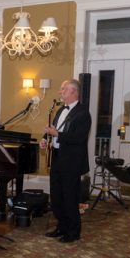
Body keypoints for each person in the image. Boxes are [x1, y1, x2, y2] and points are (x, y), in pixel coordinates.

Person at [40, 79, 91, 243]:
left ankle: (73, 231)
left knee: (69, 196)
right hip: (57, 156)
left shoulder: (83, 113)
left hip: (71, 160)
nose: (60, 92)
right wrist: (45, 138)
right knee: (56, 196)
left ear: (73, 92)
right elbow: (54, 129)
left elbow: (79, 138)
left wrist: (57, 135)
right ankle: (61, 226)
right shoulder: (61, 109)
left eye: (63, 89)